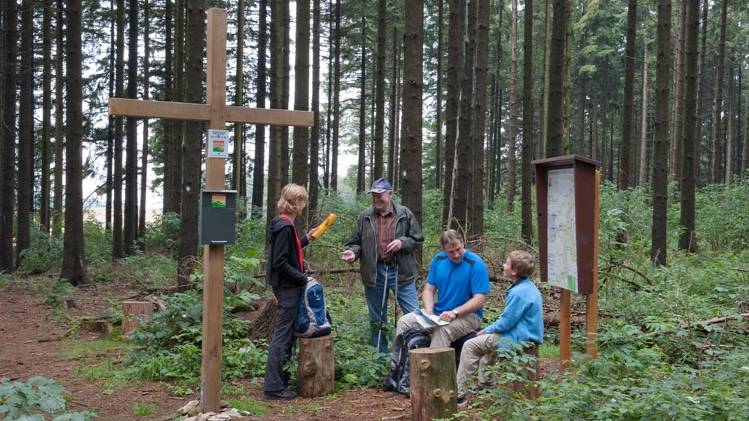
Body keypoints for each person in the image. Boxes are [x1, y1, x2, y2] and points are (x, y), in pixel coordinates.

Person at [341, 177, 423, 352]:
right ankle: (380, 359)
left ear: (390, 194)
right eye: (374, 195)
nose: (376, 199)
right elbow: (354, 242)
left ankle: (417, 353)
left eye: (380, 195)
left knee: (414, 315)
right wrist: (353, 253)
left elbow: (417, 240)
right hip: (374, 273)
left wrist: (402, 243)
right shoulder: (365, 217)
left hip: (401, 272)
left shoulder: (405, 214)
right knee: (377, 318)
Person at [455, 250, 543, 406]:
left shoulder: (519, 293)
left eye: (507, 263)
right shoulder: (526, 287)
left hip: (518, 338)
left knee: (470, 345)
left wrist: (486, 330)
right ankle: (487, 385)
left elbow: (506, 322)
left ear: (514, 271)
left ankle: (459, 393)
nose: (503, 265)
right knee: (487, 346)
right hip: (521, 334)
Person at [392, 229, 491, 353]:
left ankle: (434, 370)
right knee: (404, 322)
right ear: (444, 250)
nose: (456, 255)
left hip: (469, 316)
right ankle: (399, 366)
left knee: (442, 330)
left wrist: (455, 312)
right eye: (451, 252)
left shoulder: (475, 263)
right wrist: (429, 310)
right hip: (439, 313)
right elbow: (428, 289)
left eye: (458, 249)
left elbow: (479, 299)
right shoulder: (438, 260)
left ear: (463, 243)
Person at [263, 184, 316, 400]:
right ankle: (273, 387)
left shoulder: (284, 224)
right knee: (282, 335)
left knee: (287, 334)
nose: (303, 205)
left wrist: (307, 239)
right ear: (295, 203)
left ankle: (280, 380)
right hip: (287, 287)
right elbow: (281, 262)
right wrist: (304, 278)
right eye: (302, 201)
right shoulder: (284, 227)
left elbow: (289, 252)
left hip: (286, 286)